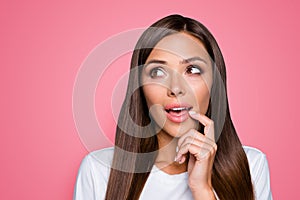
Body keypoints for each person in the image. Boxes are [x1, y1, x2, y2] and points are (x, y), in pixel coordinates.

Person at [73, 14, 272, 200]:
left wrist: (202, 189)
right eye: (158, 72)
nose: (176, 89)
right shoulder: (98, 170)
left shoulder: (251, 166)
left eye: (192, 70)